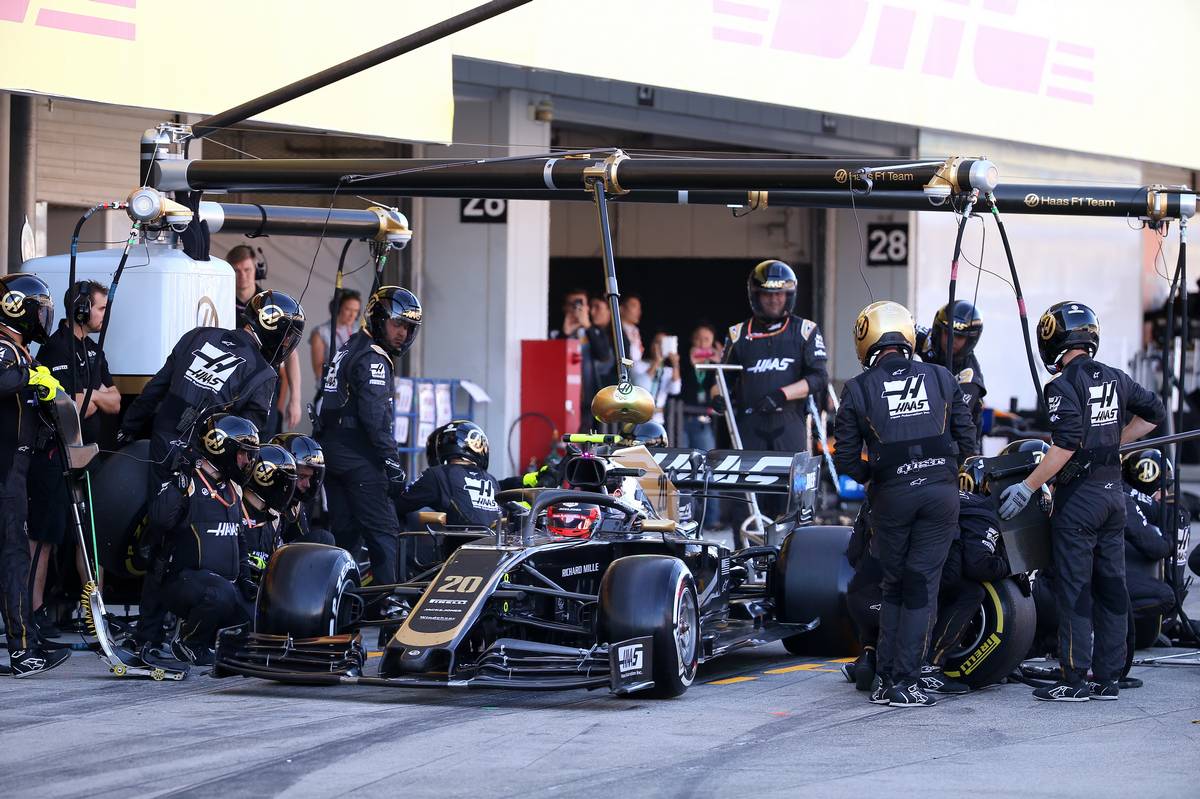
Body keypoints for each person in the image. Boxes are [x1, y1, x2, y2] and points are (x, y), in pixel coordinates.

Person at [118, 289, 302, 660]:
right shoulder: (263, 374)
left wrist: (128, 428)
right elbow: (248, 443)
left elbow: (157, 386)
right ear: (274, 333)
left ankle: (147, 634)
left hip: (161, 447)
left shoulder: (197, 335)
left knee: (160, 536)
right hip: (203, 464)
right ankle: (180, 628)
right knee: (183, 540)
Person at [998, 301, 1164, 702]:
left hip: (1080, 501)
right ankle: (1107, 678)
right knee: (1111, 586)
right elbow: (1154, 412)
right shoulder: (1117, 378)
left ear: (1054, 339)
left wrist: (1029, 486)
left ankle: (1073, 679)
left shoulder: (1061, 386)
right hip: (1113, 498)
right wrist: (1112, 441)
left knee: (1075, 589)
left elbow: (1066, 444)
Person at [833, 300, 976, 707]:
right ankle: (904, 683)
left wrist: (879, 477)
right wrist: (942, 471)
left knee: (894, 586)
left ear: (866, 341)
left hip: (892, 496)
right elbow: (968, 442)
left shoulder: (857, 389)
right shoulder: (943, 377)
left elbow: (845, 459)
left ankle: (886, 680)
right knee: (921, 588)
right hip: (940, 494)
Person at [26, 280, 121, 637]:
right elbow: (69, 404)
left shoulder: (94, 350)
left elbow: (114, 402)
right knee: (45, 537)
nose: (104, 315)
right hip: (55, 456)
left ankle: (91, 613)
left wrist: (91, 394)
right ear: (81, 310)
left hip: (88, 457)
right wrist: (92, 397)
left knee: (89, 537)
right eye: (99, 308)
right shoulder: (53, 350)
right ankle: (34, 613)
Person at [317, 285, 419, 586]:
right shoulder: (373, 357)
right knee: (384, 533)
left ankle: (340, 608)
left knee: (345, 539)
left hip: (333, 454)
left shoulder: (350, 345)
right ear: (378, 319)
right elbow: (375, 419)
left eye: (408, 327)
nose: (402, 333)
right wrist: (392, 463)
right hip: (359, 459)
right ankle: (389, 607)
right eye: (397, 324)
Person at [0, 273, 71, 676]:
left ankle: (27, 640)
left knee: (12, 558)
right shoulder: (4, 349)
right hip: (5, 472)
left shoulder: (18, 350)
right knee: (13, 559)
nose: (43, 318)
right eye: (39, 310)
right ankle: (23, 651)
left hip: (16, 471)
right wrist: (32, 378)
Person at [156, 414, 263, 666]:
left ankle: (223, 645)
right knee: (220, 593)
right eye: (243, 453)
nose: (247, 461)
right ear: (222, 449)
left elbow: (241, 543)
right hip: (182, 581)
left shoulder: (233, 489)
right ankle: (188, 642)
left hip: (223, 584)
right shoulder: (188, 480)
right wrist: (181, 479)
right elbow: (160, 520)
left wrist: (246, 578)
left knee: (257, 611)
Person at [717, 259, 828, 467]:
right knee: (748, 496)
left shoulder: (806, 330)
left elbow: (819, 377)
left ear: (789, 295)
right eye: (767, 294)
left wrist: (782, 395)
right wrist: (717, 397)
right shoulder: (738, 333)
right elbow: (722, 379)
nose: (774, 300)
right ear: (755, 295)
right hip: (748, 427)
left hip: (790, 425)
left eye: (779, 293)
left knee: (791, 494)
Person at [229, 245, 303, 433]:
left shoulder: (272, 305)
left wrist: (295, 400)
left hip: (264, 387)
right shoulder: (220, 300)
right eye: (237, 270)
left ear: (257, 270)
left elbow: (291, 353)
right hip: (229, 386)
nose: (242, 275)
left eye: (247, 270)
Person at [395, 420, 500, 528]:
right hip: (493, 543)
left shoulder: (438, 474)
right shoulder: (492, 480)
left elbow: (398, 504)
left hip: (459, 542)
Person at [918, 301, 987, 445]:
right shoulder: (928, 340)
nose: (952, 341)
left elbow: (952, 422)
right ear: (939, 329)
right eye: (948, 333)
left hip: (958, 446)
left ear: (970, 339)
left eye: (959, 337)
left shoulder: (969, 378)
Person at [239, 443, 301, 590]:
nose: (287, 490)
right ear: (263, 478)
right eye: (283, 483)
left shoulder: (275, 517)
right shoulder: (233, 505)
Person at [550, 289, 613, 430]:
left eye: (580, 304)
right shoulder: (556, 332)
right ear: (565, 307)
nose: (577, 308)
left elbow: (604, 356)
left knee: (587, 443)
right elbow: (551, 361)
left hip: (589, 400)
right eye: (572, 304)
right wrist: (565, 333)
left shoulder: (596, 332)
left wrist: (588, 327)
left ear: (587, 308)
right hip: (561, 398)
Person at [268, 433, 335, 546]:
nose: (307, 484)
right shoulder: (260, 500)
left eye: (310, 478)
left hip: (282, 557)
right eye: (302, 476)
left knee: (324, 539)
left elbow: (301, 542)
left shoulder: (295, 504)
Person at [679, 323, 724, 451]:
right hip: (681, 419)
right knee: (680, 460)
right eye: (698, 338)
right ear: (692, 340)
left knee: (707, 458)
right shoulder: (682, 360)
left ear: (713, 342)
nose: (702, 343)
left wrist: (721, 363)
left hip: (703, 421)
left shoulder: (714, 365)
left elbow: (717, 389)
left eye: (706, 339)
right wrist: (690, 364)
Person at [309, 289, 361, 381]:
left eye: (356, 311)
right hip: (329, 389)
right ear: (337, 308)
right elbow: (318, 371)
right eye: (348, 309)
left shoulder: (359, 331)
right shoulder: (321, 332)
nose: (352, 315)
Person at [644, 332, 681, 424]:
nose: (660, 346)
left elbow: (675, 390)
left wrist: (675, 364)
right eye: (657, 342)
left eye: (663, 343)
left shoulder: (668, 371)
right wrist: (657, 362)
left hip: (658, 419)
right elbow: (642, 384)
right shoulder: (640, 365)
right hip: (639, 417)